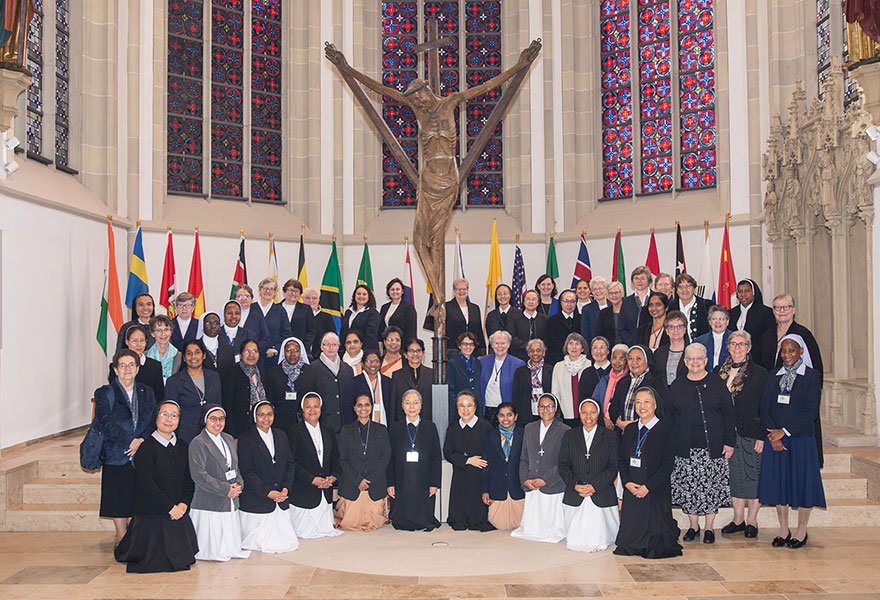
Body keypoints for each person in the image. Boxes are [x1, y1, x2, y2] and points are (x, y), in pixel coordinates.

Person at [757, 335, 826, 549]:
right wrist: (773, 435)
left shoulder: (811, 377)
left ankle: (801, 530)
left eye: (792, 350)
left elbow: (810, 412)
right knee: (780, 485)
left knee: (802, 484)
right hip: (775, 441)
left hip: (800, 440)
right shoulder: (773, 375)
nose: (787, 355)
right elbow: (765, 407)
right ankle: (783, 529)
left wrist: (784, 432)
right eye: (784, 351)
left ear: (801, 352)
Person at [114, 400, 198, 572]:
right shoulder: (146, 449)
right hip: (152, 515)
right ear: (156, 417)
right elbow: (147, 485)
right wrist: (170, 507)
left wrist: (183, 504)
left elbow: (188, 480)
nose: (169, 419)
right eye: (164, 414)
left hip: (177, 511)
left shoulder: (182, 446)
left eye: (174, 415)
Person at [669, 343, 736, 544]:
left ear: (706, 361)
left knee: (710, 488)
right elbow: (669, 417)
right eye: (691, 359)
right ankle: (693, 526)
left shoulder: (717, 383)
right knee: (689, 489)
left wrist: (729, 442)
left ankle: (709, 527)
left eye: (699, 359)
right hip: (685, 449)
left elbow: (728, 414)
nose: (695, 362)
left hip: (713, 447)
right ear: (685, 361)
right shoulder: (677, 385)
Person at [756, 294, 825, 466]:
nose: (782, 311)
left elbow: (816, 366)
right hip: (773, 398)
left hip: (798, 402)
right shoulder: (767, 335)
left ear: (793, 310)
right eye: (778, 308)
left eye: (786, 307)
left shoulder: (803, 334)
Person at [614, 387, 682, 559]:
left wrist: (647, 487)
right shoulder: (629, 430)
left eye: (646, 402)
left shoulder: (666, 429)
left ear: (655, 404)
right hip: (632, 487)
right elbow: (621, 460)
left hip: (654, 490)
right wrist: (627, 482)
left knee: (656, 544)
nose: (641, 406)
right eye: (638, 402)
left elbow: (667, 465)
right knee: (628, 544)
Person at [97, 349, 157, 543]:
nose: (127, 369)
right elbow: (105, 422)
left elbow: (152, 421)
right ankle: (122, 537)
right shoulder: (105, 393)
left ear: (138, 368)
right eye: (122, 365)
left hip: (140, 453)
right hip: (116, 453)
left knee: (136, 496)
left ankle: (134, 536)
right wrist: (128, 440)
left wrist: (140, 440)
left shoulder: (146, 392)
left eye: (131, 365)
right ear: (115, 370)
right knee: (117, 499)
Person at [715, 330, 768, 539]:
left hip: (751, 431)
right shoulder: (719, 371)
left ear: (749, 348)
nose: (737, 348)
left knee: (752, 475)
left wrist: (762, 434)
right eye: (733, 344)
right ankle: (738, 519)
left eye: (741, 344)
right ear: (728, 347)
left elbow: (765, 406)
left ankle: (752, 520)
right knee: (735, 477)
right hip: (728, 433)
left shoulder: (759, 373)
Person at [188, 404, 250, 561]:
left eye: (221, 419)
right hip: (210, 499)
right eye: (213, 419)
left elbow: (235, 467)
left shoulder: (228, 439)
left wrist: (238, 485)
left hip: (230, 496)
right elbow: (199, 475)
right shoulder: (198, 443)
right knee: (212, 548)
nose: (218, 423)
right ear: (205, 420)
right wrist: (225, 489)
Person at [237, 400, 299, 553]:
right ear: (254, 416)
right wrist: (268, 492)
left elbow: (290, 464)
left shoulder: (281, 435)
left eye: (269, 414)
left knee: (288, 543)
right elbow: (247, 472)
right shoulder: (246, 438)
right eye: (261, 415)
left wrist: (286, 488)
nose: (266, 419)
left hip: (281, 496)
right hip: (258, 497)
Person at [559, 398, 620, 553]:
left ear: (598, 414)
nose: (588, 416)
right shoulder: (569, 435)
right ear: (579, 414)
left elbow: (613, 467)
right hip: (576, 490)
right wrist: (575, 485)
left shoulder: (609, 436)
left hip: (601, 490)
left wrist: (594, 486)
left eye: (592, 412)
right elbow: (563, 465)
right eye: (584, 412)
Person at [511, 392, 570, 542]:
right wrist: (525, 479)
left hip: (553, 483)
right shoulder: (529, 428)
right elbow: (523, 458)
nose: (545, 410)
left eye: (549, 406)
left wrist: (545, 479)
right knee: (532, 527)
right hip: (532, 482)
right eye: (542, 406)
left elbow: (564, 462)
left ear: (555, 409)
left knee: (552, 528)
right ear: (537, 409)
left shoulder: (565, 430)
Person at [287, 392, 343, 538]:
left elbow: (335, 458)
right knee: (305, 533)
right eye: (308, 407)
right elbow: (293, 463)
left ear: (321, 408)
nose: (312, 410)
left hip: (325, 488)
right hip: (305, 489)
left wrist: (333, 477)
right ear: (302, 410)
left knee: (325, 530)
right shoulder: (294, 432)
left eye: (316, 406)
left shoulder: (328, 430)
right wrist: (312, 480)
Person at [387, 389, 442, 531]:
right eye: (408, 403)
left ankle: (423, 520)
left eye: (415, 403)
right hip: (402, 476)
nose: (412, 407)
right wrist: (390, 483)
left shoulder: (430, 427)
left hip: (424, 476)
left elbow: (436, 458)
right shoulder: (395, 428)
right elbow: (390, 458)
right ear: (402, 406)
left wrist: (435, 483)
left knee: (423, 503)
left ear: (421, 406)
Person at [336, 392, 392, 531]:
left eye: (367, 404)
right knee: (349, 524)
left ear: (372, 407)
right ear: (354, 408)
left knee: (375, 523)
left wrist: (369, 479)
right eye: (359, 405)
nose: (363, 408)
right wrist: (358, 480)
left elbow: (385, 457)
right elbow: (343, 459)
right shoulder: (346, 430)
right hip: (352, 484)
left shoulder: (381, 430)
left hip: (375, 483)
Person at [443, 390, 493, 531]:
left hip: (479, 476)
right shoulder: (452, 427)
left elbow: (492, 453)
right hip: (460, 473)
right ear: (457, 408)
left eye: (469, 405)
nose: (465, 410)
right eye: (461, 406)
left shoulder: (485, 426)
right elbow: (447, 453)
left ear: (475, 407)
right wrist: (467, 460)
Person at [164, 339, 221, 443]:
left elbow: (218, 405)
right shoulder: (174, 381)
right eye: (189, 353)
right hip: (185, 435)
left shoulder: (214, 377)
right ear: (184, 358)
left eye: (197, 352)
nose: (193, 357)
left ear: (204, 355)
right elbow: (171, 412)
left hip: (212, 432)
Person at [481, 402, 525, 530]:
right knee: (499, 525)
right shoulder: (490, 436)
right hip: (497, 488)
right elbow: (485, 464)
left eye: (509, 415)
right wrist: (485, 490)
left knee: (520, 524)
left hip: (518, 487)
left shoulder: (524, 434)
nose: (505, 419)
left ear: (515, 416)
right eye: (501, 415)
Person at [609, 345, 667, 435]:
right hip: (622, 432)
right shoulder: (623, 381)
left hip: (648, 432)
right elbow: (613, 406)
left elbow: (661, 406)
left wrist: (636, 424)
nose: (634, 362)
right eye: (630, 358)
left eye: (639, 358)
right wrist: (619, 422)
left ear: (647, 360)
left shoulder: (657, 381)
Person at [264, 337, 316, 432]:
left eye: (296, 350)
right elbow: (270, 399)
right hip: (280, 425)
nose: (292, 354)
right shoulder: (272, 373)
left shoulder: (311, 372)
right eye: (288, 350)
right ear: (283, 352)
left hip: (304, 423)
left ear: (301, 352)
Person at [221, 339, 267, 437]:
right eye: (247, 351)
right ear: (241, 355)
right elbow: (227, 407)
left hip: (262, 424)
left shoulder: (262, 374)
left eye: (255, 351)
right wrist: (233, 435)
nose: (251, 355)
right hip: (241, 429)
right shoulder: (232, 375)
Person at [479, 330, 526, 425]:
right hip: (486, 410)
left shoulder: (518, 364)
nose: (500, 346)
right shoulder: (482, 361)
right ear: (492, 345)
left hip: (506, 413)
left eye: (503, 343)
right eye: (496, 343)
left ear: (508, 344)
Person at [312, 332, 354, 435]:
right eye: (327, 344)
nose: (331, 348)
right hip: (323, 424)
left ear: (339, 347)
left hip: (345, 424)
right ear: (322, 347)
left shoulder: (347, 369)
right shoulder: (312, 368)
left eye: (334, 344)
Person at [110, 325, 165, 401]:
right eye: (134, 341)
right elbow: (114, 393)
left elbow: (159, 396)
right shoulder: (117, 365)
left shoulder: (155, 366)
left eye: (142, 340)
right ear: (127, 342)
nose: (139, 344)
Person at [551, 332, 592, 426]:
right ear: (566, 347)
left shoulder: (589, 365)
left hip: (587, 415)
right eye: (571, 343)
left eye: (577, 344)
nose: (574, 347)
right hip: (565, 415)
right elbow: (555, 392)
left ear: (582, 348)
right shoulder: (558, 366)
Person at [727, 279, 775, 358]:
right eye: (740, 291)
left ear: (753, 293)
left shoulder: (766, 312)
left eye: (747, 291)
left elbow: (769, 339)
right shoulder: (731, 313)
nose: (743, 294)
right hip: (735, 356)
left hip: (758, 358)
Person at [390, 338, 434, 423]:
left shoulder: (432, 374)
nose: (415, 354)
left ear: (423, 353)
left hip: (427, 421)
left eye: (418, 350)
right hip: (403, 422)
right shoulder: (397, 376)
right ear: (405, 355)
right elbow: (393, 405)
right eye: (411, 351)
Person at [344, 349, 393, 425]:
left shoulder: (388, 382)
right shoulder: (354, 383)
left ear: (380, 363)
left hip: (385, 426)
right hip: (361, 427)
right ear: (363, 364)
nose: (373, 364)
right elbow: (348, 409)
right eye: (368, 362)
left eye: (376, 361)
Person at [512, 339, 553, 426]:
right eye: (532, 351)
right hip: (527, 413)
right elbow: (516, 395)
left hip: (547, 412)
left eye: (538, 350)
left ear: (544, 353)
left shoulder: (552, 370)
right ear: (528, 353)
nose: (535, 353)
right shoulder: (520, 371)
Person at [444, 278, 486, 358]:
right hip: (453, 351)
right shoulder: (446, 307)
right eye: (459, 289)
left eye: (464, 289)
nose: (462, 291)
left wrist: (482, 353)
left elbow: (479, 331)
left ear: (467, 290)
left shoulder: (475, 308)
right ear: (454, 291)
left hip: (473, 350)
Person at [485, 284, 529, 360]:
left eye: (505, 293)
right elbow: (490, 335)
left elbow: (521, 336)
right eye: (499, 294)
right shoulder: (491, 315)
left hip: (516, 355)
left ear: (510, 295)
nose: (502, 296)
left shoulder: (519, 314)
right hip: (496, 355)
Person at [255, 277, 292, 364]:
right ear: (259, 291)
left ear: (275, 292)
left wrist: (276, 348)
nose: (268, 291)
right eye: (265, 288)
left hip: (272, 357)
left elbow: (286, 333)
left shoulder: (280, 311)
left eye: (271, 289)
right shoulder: (252, 308)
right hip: (252, 356)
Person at [447, 331, 483, 422]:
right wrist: (457, 406)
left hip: (475, 406)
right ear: (459, 346)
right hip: (460, 408)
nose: (468, 347)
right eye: (465, 344)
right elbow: (450, 389)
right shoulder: (452, 363)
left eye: (471, 344)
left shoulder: (478, 362)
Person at [593, 344, 629, 429]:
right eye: (615, 358)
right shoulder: (604, 380)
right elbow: (595, 402)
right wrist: (604, 420)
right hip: (603, 424)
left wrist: (615, 421)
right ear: (611, 359)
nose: (617, 362)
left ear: (627, 361)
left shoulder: (629, 380)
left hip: (621, 425)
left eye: (622, 358)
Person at [233, 284, 271, 359]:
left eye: (246, 296)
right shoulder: (230, 317)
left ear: (251, 299)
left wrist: (250, 350)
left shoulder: (258, 317)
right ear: (234, 299)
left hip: (253, 359)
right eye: (239, 296)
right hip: (233, 359)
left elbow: (265, 339)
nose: (243, 299)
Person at [669, 273, 711, 340]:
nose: (684, 290)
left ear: (694, 288)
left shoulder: (706, 305)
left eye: (688, 286)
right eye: (680, 287)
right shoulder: (670, 307)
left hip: (701, 346)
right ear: (676, 290)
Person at [652, 310, 689, 387]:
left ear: (685, 329)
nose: (676, 330)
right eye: (671, 327)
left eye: (679, 326)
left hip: (686, 395)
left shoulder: (693, 352)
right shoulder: (658, 353)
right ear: (666, 331)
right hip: (663, 396)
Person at [341, 284, 382, 352]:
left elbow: (370, 336)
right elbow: (343, 332)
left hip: (366, 352)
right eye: (358, 294)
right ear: (354, 296)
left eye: (364, 294)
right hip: (348, 352)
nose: (361, 296)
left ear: (369, 296)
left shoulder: (373, 313)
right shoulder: (348, 312)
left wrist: (359, 351)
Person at [619, 266, 654, 345]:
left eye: (643, 278)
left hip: (654, 344)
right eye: (636, 278)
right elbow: (622, 329)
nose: (639, 281)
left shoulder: (656, 299)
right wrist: (634, 344)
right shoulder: (626, 302)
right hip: (632, 345)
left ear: (649, 280)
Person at [380, 278, 418, 348]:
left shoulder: (408, 307)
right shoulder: (384, 307)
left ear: (402, 291)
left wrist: (408, 348)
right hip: (388, 347)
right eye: (392, 289)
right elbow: (381, 329)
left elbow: (412, 331)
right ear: (388, 292)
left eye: (397, 289)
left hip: (402, 346)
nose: (395, 292)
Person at [281, 279, 316, 356]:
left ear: (300, 294)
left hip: (300, 351)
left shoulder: (306, 309)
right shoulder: (276, 308)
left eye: (296, 291)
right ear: (284, 291)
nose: (293, 293)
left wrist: (303, 347)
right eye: (290, 290)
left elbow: (311, 331)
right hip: (279, 350)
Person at [546, 289, 581, 364]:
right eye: (566, 301)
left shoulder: (581, 319)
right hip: (558, 358)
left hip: (579, 357)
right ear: (561, 302)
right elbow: (552, 341)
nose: (569, 304)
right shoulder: (552, 320)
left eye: (572, 301)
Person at [303, 286, 337, 360]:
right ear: (303, 300)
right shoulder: (299, 316)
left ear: (318, 300)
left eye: (314, 298)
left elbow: (332, 336)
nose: (311, 300)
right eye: (307, 298)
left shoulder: (327, 317)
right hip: (302, 355)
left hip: (321, 356)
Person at [694, 305, 732, 371]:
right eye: (714, 319)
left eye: (721, 319)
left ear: (727, 322)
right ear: (709, 322)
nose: (718, 322)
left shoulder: (735, 339)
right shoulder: (699, 341)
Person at [197, 310, 235, 376]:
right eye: (208, 323)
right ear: (202, 326)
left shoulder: (228, 348)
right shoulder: (196, 347)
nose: (213, 326)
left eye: (216, 323)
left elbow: (232, 372)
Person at [146, 315, 181, 382]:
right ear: (152, 333)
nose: (163, 334)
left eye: (166, 329)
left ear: (171, 332)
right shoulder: (145, 356)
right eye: (159, 330)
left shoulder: (179, 356)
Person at [577, 336, 611, 403]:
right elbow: (582, 398)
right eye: (595, 348)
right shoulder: (586, 373)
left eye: (602, 347)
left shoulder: (614, 370)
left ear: (608, 351)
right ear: (591, 351)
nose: (598, 351)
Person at [595, 281, 628, 346]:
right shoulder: (603, 313)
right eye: (611, 293)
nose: (614, 295)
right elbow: (599, 335)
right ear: (607, 296)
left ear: (622, 294)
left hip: (628, 348)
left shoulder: (629, 311)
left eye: (616, 292)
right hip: (609, 350)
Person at [580, 277, 609, 346]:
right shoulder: (587, 309)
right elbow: (585, 334)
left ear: (606, 290)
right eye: (595, 289)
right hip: (594, 349)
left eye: (600, 288)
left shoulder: (614, 306)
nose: (598, 291)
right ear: (592, 292)